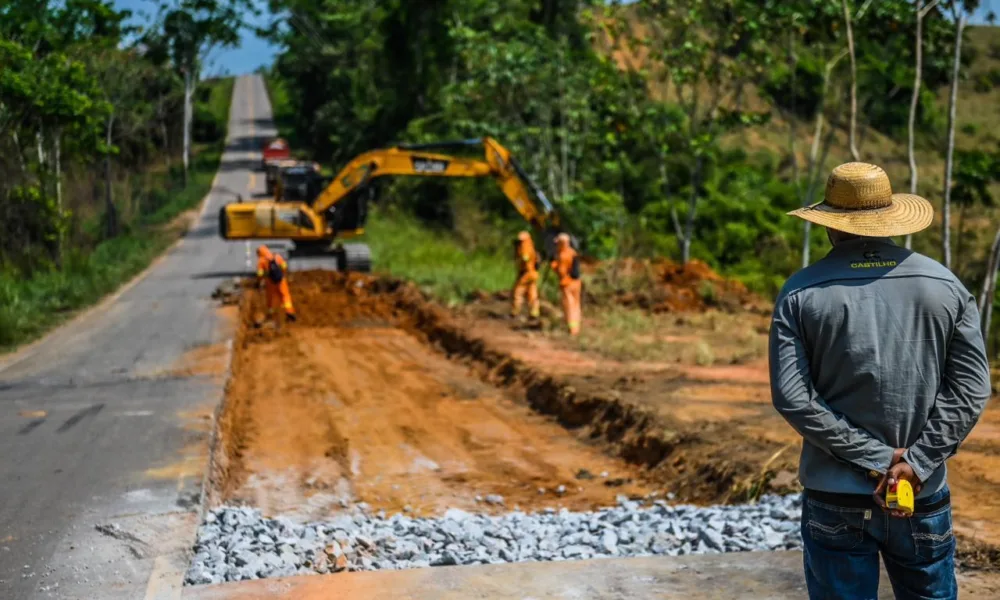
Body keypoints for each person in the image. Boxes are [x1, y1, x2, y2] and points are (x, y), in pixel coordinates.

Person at [770, 162, 991, 600]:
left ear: (830, 224)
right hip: (920, 492)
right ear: (891, 218)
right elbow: (971, 390)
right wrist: (917, 462)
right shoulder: (945, 286)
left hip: (836, 495)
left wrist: (876, 458)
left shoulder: (799, 293)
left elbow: (794, 399)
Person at [551, 233, 582, 336]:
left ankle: (572, 329)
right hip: (576, 283)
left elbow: (561, 272)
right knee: (576, 305)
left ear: (561, 243)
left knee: (569, 306)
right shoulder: (572, 252)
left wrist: (554, 265)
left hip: (567, 283)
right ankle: (576, 327)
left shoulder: (563, 255)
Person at [256, 245, 297, 322]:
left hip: (270, 282)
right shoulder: (276, 256)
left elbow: (260, 274)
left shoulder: (261, 261)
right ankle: (289, 312)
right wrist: (283, 274)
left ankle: (271, 315)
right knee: (285, 296)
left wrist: (258, 283)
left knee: (270, 299)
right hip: (281, 280)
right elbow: (284, 266)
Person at [511, 231, 541, 320]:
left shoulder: (525, 246)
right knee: (532, 293)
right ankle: (534, 311)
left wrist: (520, 256)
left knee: (518, 291)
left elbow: (525, 257)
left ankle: (515, 310)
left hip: (527, 273)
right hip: (533, 273)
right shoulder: (531, 246)